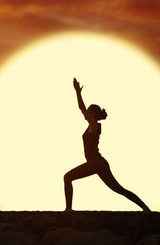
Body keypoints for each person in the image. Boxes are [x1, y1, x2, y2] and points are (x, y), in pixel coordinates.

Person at [63, 78, 151, 212]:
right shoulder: (91, 126)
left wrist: (77, 92)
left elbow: (81, 108)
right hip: (99, 163)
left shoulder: (94, 126)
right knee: (119, 189)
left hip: (96, 162)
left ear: (92, 114)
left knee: (67, 177)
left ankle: (68, 209)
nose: (86, 113)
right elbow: (83, 110)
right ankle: (145, 208)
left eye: (88, 111)